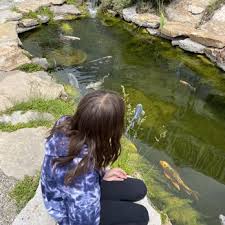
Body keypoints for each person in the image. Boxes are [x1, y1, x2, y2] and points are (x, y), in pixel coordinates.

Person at [41, 90, 149, 225]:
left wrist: (102, 173)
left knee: (139, 189)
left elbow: (87, 158)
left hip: (70, 192)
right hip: (68, 211)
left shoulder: (65, 122)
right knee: (141, 216)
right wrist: (94, 186)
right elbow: (83, 220)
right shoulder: (83, 175)